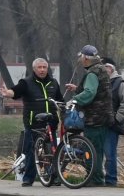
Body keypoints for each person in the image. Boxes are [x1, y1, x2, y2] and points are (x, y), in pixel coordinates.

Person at [7, 57, 61, 185]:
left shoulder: (53, 83)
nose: (42, 70)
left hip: (50, 122)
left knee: (52, 150)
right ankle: (28, 178)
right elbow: (15, 91)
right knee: (31, 151)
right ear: (34, 69)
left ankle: (52, 177)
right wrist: (8, 93)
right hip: (33, 122)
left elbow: (60, 99)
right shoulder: (26, 82)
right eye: (39, 67)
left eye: (44, 67)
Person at [70, 44, 118, 186]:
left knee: (92, 150)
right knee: (98, 150)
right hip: (103, 117)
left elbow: (90, 93)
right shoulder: (101, 69)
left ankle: (95, 180)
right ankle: (97, 178)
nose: (80, 60)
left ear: (85, 58)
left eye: (81, 57)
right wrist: (78, 89)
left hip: (95, 118)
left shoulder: (92, 73)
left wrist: (74, 99)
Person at [106, 63, 124, 187]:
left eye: (103, 68)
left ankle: (111, 180)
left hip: (113, 125)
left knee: (110, 153)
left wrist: (116, 119)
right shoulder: (102, 83)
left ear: (110, 69)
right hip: (102, 123)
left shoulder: (120, 83)